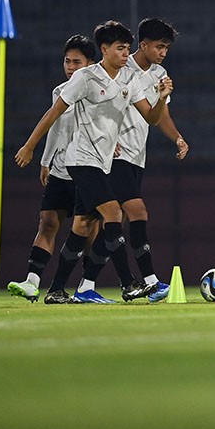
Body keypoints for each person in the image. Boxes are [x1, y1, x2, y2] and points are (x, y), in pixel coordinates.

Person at [14, 20, 172, 304]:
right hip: (81, 160)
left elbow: (152, 117)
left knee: (83, 226)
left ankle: (58, 290)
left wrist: (161, 98)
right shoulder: (86, 78)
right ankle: (130, 283)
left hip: (103, 163)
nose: (126, 54)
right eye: (121, 48)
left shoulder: (129, 80)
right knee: (113, 214)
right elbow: (54, 113)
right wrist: (30, 146)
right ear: (104, 49)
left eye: (127, 48)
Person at [89, 17, 188, 303]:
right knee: (137, 212)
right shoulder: (120, 66)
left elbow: (160, 116)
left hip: (136, 156)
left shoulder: (159, 73)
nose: (163, 53)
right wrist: (107, 137)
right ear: (142, 45)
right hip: (113, 155)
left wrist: (177, 138)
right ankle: (150, 281)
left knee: (108, 223)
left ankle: (85, 283)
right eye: (159, 47)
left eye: (167, 48)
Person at [7, 35, 97, 304]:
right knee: (47, 223)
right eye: (67, 61)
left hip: (88, 168)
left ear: (90, 64)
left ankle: (87, 283)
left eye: (76, 62)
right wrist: (45, 160)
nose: (70, 67)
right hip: (60, 169)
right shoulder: (59, 92)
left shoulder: (98, 92)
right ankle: (32, 282)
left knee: (89, 231)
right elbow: (55, 128)